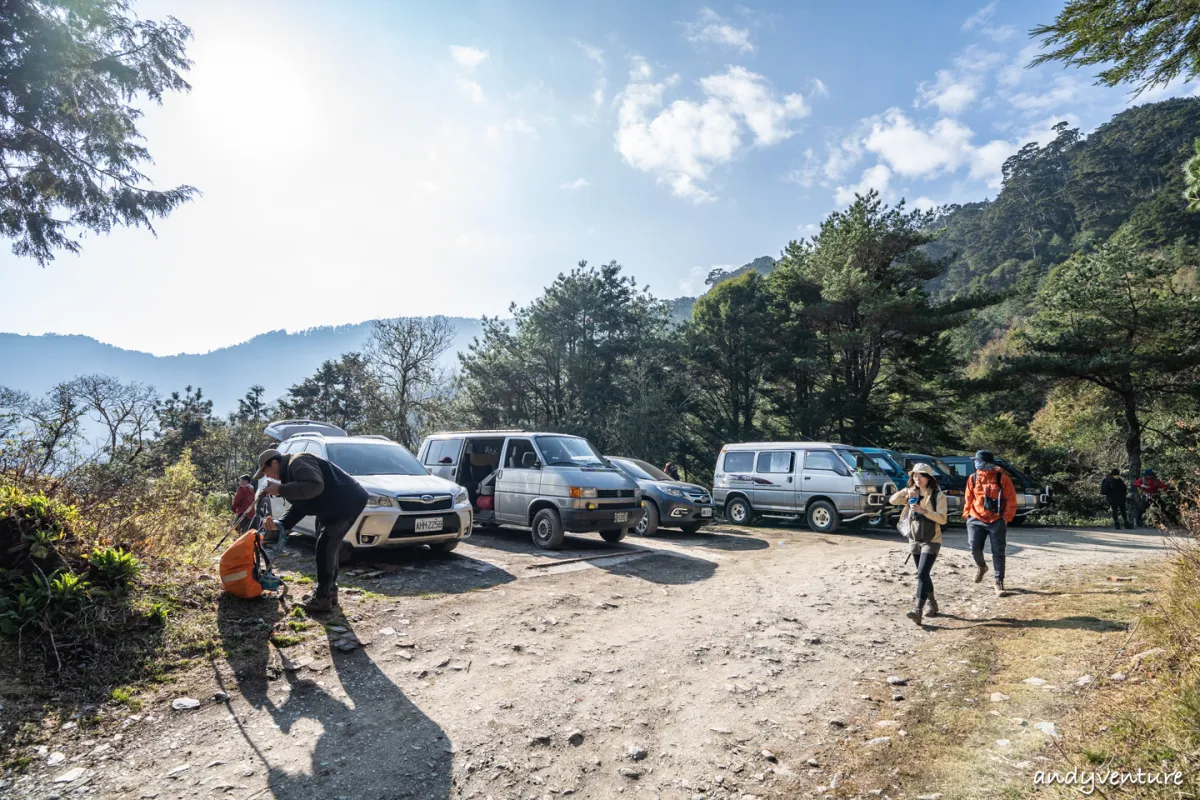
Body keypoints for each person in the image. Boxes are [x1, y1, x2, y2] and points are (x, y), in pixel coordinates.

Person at [252, 447, 368, 614]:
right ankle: (330, 592)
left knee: (325, 547)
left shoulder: (298, 461)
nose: (267, 476)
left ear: (275, 462)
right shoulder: (291, 473)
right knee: (328, 547)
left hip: (345, 504)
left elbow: (315, 486)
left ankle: (322, 598)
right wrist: (280, 524)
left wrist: (281, 489)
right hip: (332, 506)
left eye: (266, 471)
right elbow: (301, 506)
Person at [890, 462, 948, 626]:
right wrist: (905, 492)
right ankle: (932, 603)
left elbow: (943, 519)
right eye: (914, 475)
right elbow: (892, 501)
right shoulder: (911, 493)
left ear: (929, 478)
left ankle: (917, 611)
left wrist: (924, 511)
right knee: (923, 573)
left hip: (932, 539)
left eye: (921, 475)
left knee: (922, 573)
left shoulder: (938, 496)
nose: (917, 478)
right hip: (914, 538)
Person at [963, 450, 1017, 597]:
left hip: (996, 520)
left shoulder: (1002, 478)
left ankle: (998, 582)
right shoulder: (973, 478)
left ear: (987, 463)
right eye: (975, 460)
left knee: (998, 552)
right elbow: (968, 497)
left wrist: (1006, 518)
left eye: (978, 460)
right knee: (974, 547)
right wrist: (967, 514)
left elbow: (1011, 499)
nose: (975, 463)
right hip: (975, 518)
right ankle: (981, 566)